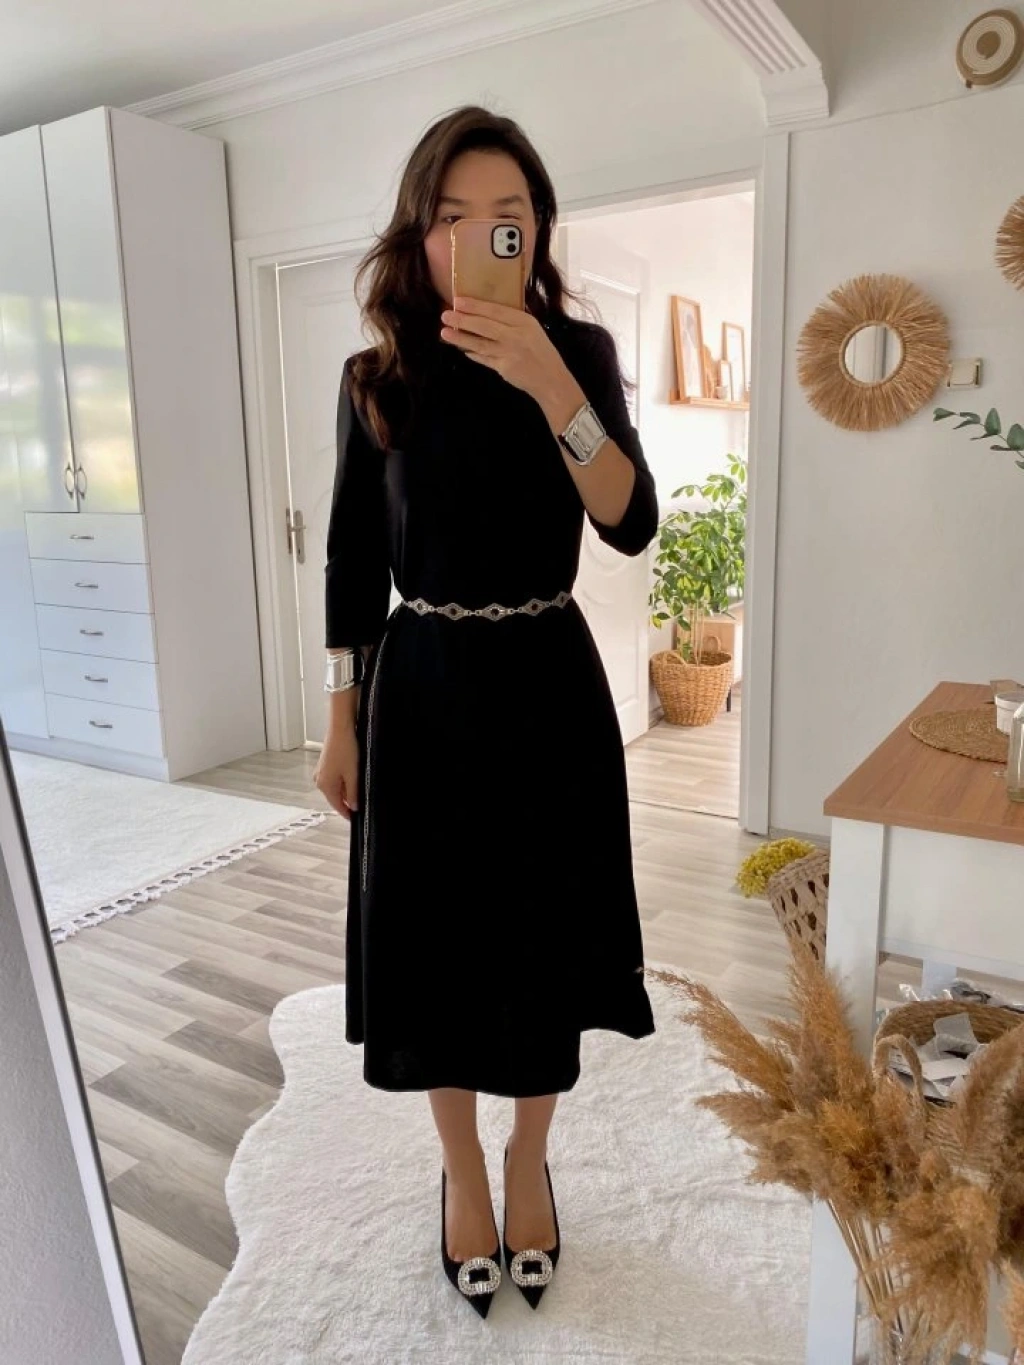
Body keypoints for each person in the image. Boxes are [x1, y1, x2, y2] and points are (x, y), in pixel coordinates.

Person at [312, 104, 658, 1319]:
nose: (481, 236)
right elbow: (350, 562)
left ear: (538, 230)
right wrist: (340, 717)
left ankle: (527, 1159)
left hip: (547, 680)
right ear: (421, 234)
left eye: (506, 217)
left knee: (543, 937)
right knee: (436, 949)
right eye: (453, 216)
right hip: (418, 689)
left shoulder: (581, 354)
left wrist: (551, 383)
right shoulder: (378, 376)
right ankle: (461, 1169)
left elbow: (628, 520)